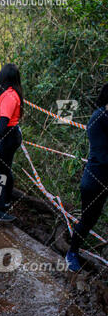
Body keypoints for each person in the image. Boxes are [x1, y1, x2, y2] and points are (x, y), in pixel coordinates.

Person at [66, 84, 108, 272]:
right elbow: (101, 154)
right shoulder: (98, 118)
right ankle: (72, 253)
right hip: (95, 178)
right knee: (89, 218)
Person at [0, 63, 23, 222]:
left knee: (1, 169)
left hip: (6, 135)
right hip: (3, 133)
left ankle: (1, 205)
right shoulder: (3, 92)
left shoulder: (10, 95)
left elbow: (5, 118)